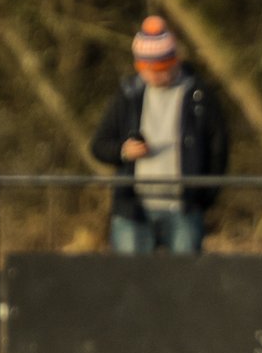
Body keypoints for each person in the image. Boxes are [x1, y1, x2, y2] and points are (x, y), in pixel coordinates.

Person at [88, 16, 229, 254]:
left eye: (160, 69)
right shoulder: (127, 95)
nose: (153, 76)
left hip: (184, 209)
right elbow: (98, 145)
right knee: (131, 285)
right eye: (146, 69)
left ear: (175, 61)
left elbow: (218, 149)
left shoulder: (200, 96)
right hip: (133, 210)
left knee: (184, 284)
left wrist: (204, 197)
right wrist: (123, 151)